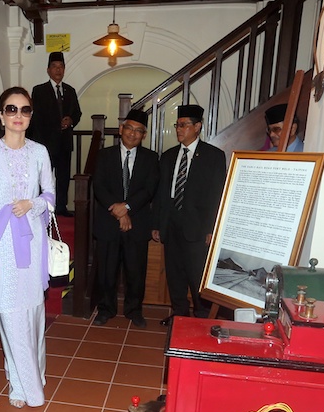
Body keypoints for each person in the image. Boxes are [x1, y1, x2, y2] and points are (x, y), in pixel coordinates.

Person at [0, 87, 55, 408]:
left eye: (24, 110)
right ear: (0, 115)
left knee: (33, 315)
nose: (18, 116)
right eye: (11, 110)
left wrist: (34, 203)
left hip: (31, 241)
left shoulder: (40, 152)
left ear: (31, 116)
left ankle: (29, 375)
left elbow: (52, 197)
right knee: (9, 316)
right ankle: (23, 385)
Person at [152, 104, 227, 325]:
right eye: (177, 125)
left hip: (197, 229)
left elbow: (217, 195)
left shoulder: (213, 156)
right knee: (175, 275)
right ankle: (179, 314)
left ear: (197, 127)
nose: (179, 129)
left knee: (197, 276)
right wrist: (157, 224)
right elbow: (161, 194)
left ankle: (201, 318)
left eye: (184, 125)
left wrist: (212, 229)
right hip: (171, 225)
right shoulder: (168, 156)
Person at [92, 108, 160, 328]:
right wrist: (119, 211)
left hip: (137, 223)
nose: (132, 133)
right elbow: (99, 186)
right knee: (107, 270)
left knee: (135, 271)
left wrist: (127, 207)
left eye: (138, 131)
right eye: (129, 128)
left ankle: (134, 310)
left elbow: (149, 189)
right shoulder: (104, 155)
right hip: (107, 223)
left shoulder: (151, 158)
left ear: (144, 135)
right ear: (121, 129)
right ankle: (105, 309)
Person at [28, 51, 82, 216]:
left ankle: (61, 208)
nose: (58, 70)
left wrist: (70, 120)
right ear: (48, 70)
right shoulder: (39, 90)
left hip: (65, 143)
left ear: (64, 69)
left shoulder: (70, 91)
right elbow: (36, 118)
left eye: (61, 67)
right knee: (42, 178)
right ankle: (40, 207)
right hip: (46, 143)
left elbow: (77, 113)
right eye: (54, 67)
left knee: (63, 177)